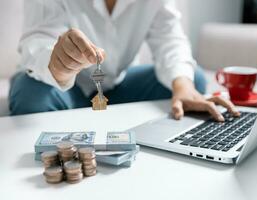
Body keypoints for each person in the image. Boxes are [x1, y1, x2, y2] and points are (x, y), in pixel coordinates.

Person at [9, 0, 240, 121]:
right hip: (63, 87)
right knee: (31, 95)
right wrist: (58, 65)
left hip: (116, 88)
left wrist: (183, 86)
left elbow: (169, 38)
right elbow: (38, 38)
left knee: (192, 81)